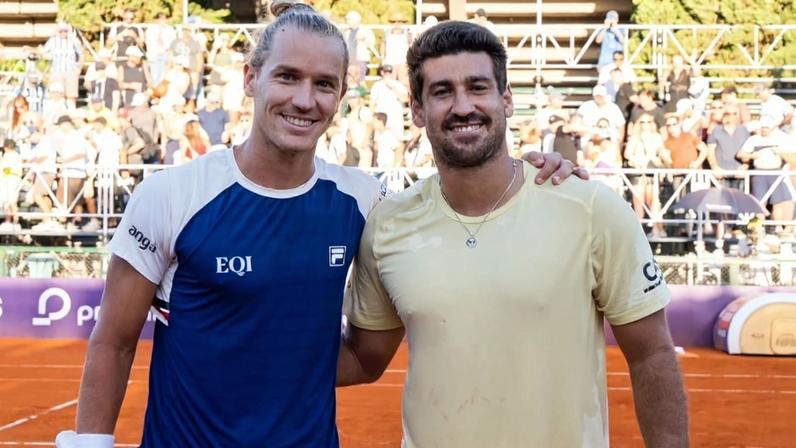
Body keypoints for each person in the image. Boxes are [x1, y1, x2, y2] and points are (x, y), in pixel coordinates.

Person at [55, 3, 581, 447]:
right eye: (287, 76)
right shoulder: (170, 196)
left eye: (324, 84)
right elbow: (114, 341)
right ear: (250, 78)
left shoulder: (366, 201)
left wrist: (530, 174)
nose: (305, 100)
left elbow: (454, 222)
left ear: (341, 96)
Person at [339, 20, 688, 448]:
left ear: (506, 100)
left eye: (478, 87)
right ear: (416, 109)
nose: (463, 106)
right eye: (442, 91)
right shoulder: (387, 224)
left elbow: (652, 354)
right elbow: (362, 357)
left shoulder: (590, 208)